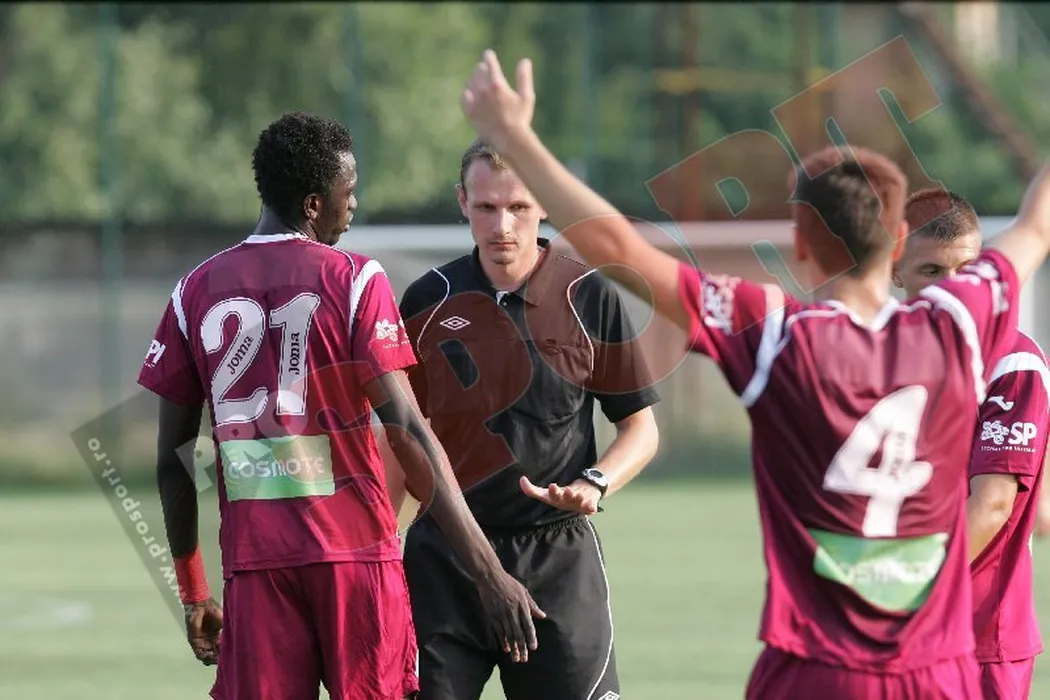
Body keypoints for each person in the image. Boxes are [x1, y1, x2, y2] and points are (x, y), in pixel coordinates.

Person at [458, 50, 1050, 697]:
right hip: (936, 670)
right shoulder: (959, 324)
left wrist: (514, 137)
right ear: (900, 245)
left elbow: (619, 247)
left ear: (801, 245)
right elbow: (1037, 225)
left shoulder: (777, 338)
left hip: (816, 669)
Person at [137, 111, 544, 700]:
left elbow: (172, 461)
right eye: (346, 193)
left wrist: (195, 591)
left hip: (257, 564)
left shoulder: (192, 290)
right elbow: (408, 429)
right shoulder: (354, 279)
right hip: (354, 559)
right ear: (312, 204)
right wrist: (488, 572)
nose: (353, 206)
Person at [389, 137, 660, 700]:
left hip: (556, 560)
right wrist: (381, 543)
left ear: (543, 204)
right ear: (462, 201)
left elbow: (640, 427)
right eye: (486, 207)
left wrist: (595, 482)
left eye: (517, 206)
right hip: (447, 558)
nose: (502, 225)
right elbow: (402, 437)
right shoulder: (426, 300)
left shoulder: (589, 296)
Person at [895, 188, 1048, 699]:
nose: (952, 287)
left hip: (978, 637)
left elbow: (993, 503)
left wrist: (906, 593)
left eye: (965, 270)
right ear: (896, 270)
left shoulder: (1012, 362)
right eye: (931, 271)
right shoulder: (882, 354)